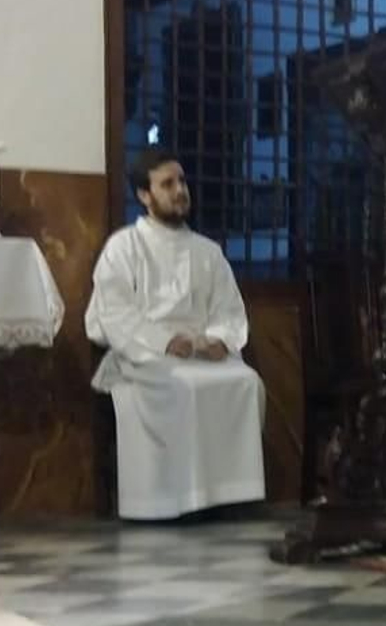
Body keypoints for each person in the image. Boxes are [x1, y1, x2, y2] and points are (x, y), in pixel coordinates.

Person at [84, 152, 266, 520]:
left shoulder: (208, 252)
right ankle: (176, 501)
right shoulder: (123, 247)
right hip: (144, 355)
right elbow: (114, 312)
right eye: (167, 184)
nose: (180, 190)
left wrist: (218, 339)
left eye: (182, 181)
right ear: (144, 195)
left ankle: (231, 497)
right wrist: (163, 342)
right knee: (186, 387)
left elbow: (229, 310)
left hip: (201, 353)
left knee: (246, 381)